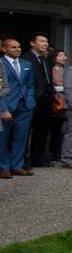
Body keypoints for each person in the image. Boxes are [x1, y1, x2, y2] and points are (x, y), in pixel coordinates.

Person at [1, 37, 36, 178]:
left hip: (24, 105)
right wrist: (2, 108)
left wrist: (30, 101)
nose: (17, 49)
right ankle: (3, 167)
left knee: (21, 137)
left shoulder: (26, 63)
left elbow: (30, 84)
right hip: (7, 104)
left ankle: (17, 165)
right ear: (4, 48)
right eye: (13, 47)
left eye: (19, 47)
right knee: (3, 138)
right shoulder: (1, 63)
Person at [24, 32, 53, 168]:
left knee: (42, 129)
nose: (45, 44)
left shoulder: (46, 59)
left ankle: (38, 157)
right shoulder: (26, 59)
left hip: (46, 99)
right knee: (26, 130)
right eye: (42, 41)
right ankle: (23, 159)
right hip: (32, 99)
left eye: (46, 42)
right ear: (32, 43)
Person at [49, 48, 67, 162]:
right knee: (54, 128)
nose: (63, 57)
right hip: (55, 102)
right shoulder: (50, 70)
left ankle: (60, 151)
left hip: (66, 102)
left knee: (63, 129)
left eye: (64, 55)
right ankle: (53, 152)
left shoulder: (67, 70)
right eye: (60, 55)